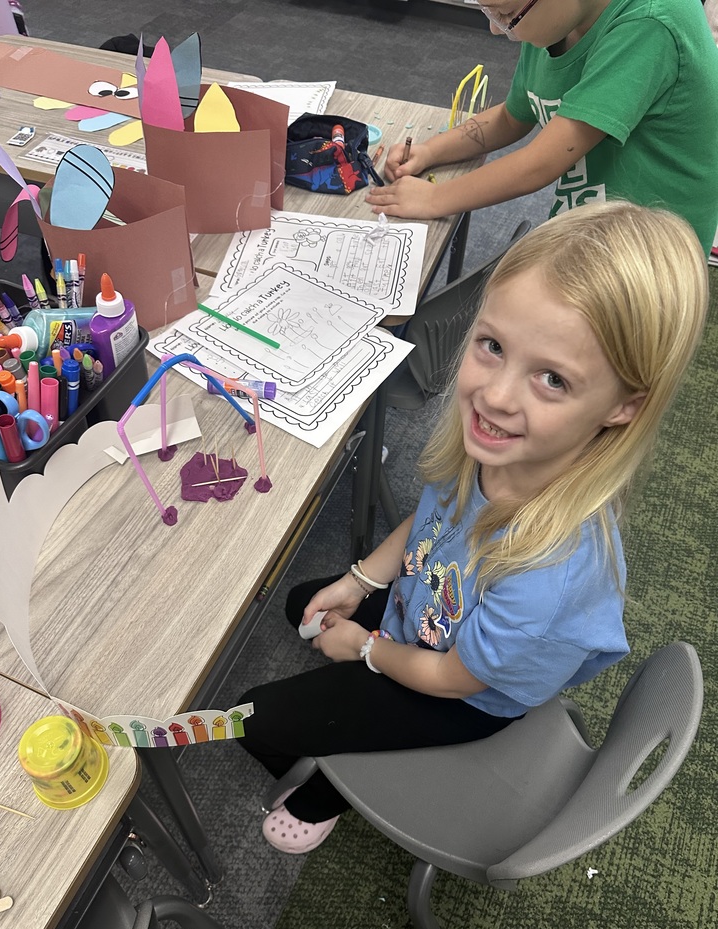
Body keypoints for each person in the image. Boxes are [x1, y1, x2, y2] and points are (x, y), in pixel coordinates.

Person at [236, 202, 708, 855]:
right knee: (303, 604)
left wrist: (367, 651)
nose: (495, 396)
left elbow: (455, 679)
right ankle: (354, 683)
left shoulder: (554, 576)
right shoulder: (499, 447)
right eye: (492, 347)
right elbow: (430, 520)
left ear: (625, 404)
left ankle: (330, 791)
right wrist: (360, 578)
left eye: (551, 379)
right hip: (429, 609)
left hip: (462, 693)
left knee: (256, 721)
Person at [365, 0, 718, 257]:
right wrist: (431, 150)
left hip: (648, 257)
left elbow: (541, 163)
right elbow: (512, 117)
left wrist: (435, 198)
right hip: (588, 225)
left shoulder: (650, 22)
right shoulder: (557, 20)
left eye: (504, 14)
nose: (495, 28)